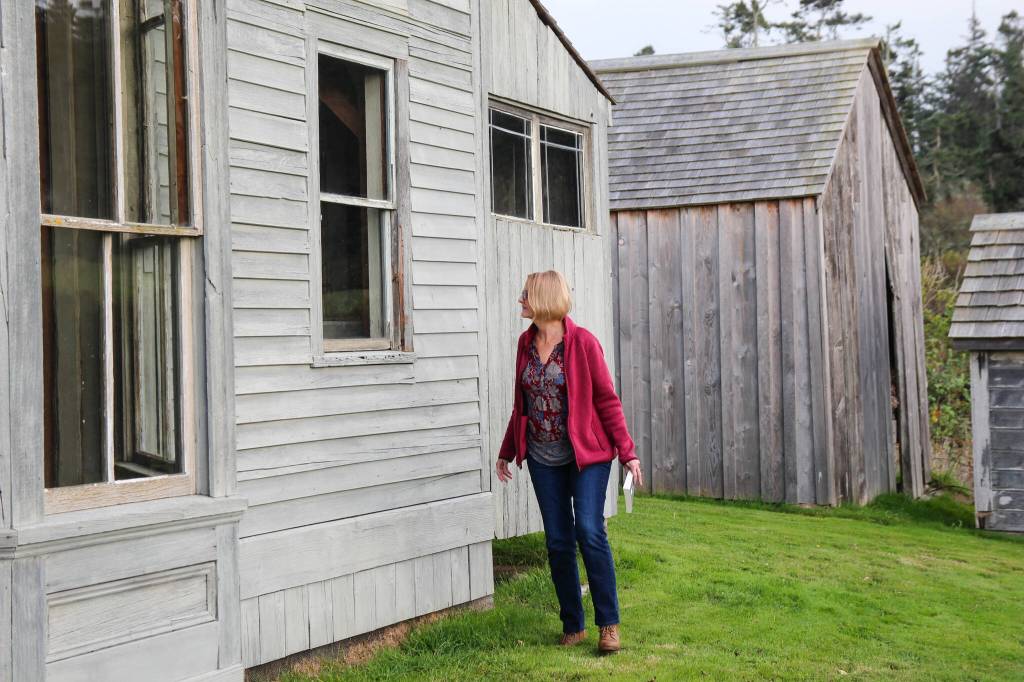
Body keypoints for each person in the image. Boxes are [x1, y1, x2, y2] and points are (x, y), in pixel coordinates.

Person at [495, 270, 644, 654]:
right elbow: (521, 406)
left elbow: (608, 401)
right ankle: (572, 623)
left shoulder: (583, 344)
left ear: (542, 299)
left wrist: (628, 453)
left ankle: (608, 625)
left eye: (525, 294)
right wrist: (507, 450)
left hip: (588, 457)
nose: (520, 300)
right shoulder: (525, 345)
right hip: (544, 459)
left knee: (590, 531)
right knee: (559, 542)